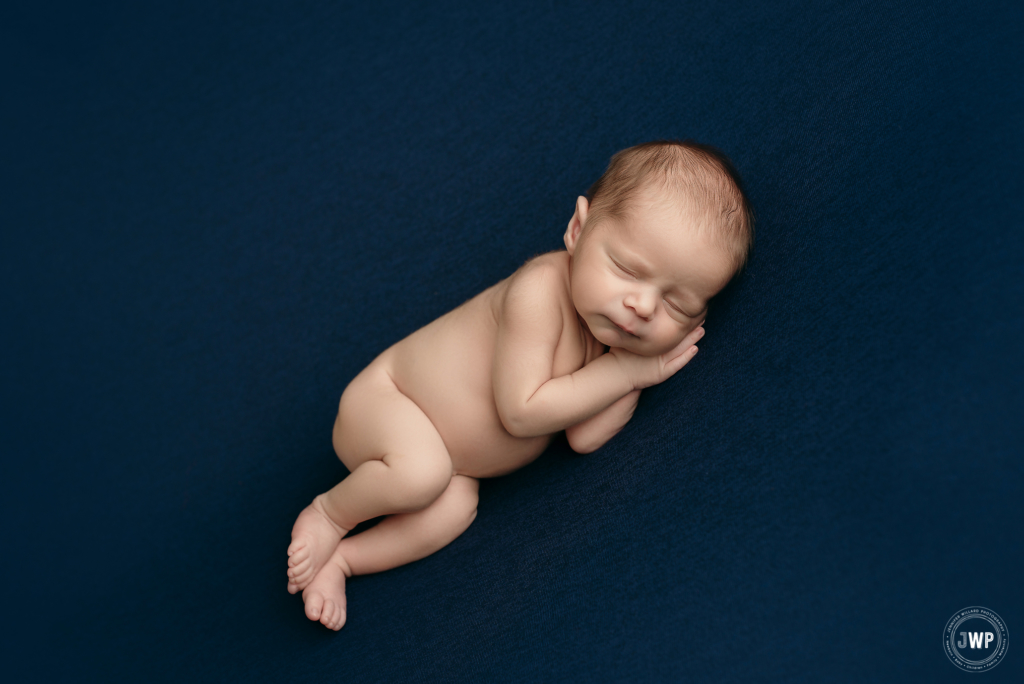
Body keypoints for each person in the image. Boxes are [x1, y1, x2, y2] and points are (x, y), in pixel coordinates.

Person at [286, 140, 755, 630]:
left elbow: (585, 437)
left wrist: (633, 373)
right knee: (421, 472)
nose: (643, 306)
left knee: (454, 508)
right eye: (627, 269)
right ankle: (329, 514)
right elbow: (521, 412)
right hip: (388, 402)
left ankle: (344, 560)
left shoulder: (616, 346)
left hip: (455, 466)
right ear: (579, 229)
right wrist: (628, 372)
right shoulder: (539, 290)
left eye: (678, 306)